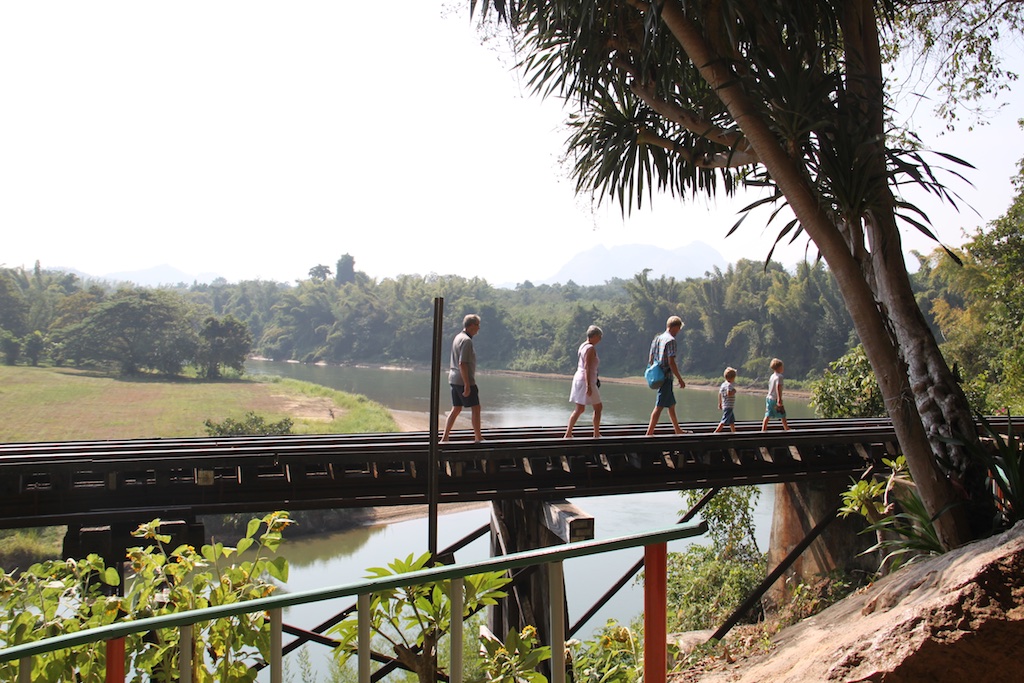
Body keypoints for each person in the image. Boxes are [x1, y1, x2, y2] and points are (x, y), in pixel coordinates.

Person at [441, 314, 483, 442]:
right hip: (463, 379)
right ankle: (478, 437)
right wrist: (467, 384)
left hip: (453, 378)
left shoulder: (458, 337)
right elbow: (462, 363)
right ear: (471, 325)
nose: (478, 328)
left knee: (456, 408)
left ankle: (445, 437)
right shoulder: (467, 341)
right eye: (477, 325)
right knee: (476, 408)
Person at [646, 315, 687, 435]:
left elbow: (650, 359)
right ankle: (649, 433)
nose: (678, 332)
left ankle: (677, 429)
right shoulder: (671, 341)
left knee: (671, 405)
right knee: (659, 406)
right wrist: (680, 379)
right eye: (679, 329)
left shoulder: (657, 338)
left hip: (659, 376)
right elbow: (671, 362)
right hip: (666, 377)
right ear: (675, 327)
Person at [564, 325, 603, 438]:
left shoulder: (583, 345)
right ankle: (596, 434)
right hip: (586, 380)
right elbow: (587, 367)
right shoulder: (590, 348)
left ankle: (568, 433)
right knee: (598, 408)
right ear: (594, 336)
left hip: (579, 378)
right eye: (599, 337)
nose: (600, 339)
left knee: (580, 409)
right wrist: (588, 385)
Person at [761, 357, 790, 431]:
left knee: (767, 415)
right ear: (779, 367)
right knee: (783, 414)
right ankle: (786, 428)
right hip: (775, 398)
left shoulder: (772, 376)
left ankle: (763, 429)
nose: (783, 368)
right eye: (782, 367)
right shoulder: (779, 377)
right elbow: (778, 387)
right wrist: (779, 399)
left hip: (769, 398)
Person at [714, 366, 738, 433]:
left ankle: (734, 432)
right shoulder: (729, 385)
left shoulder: (723, 384)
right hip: (729, 406)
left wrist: (720, 403)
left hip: (725, 405)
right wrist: (734, 391)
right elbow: (729, 393)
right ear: (732, 378)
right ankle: (716, 432)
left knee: (731, 421)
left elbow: (720, 393)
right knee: (723, 421)